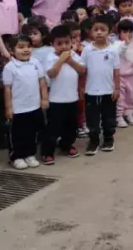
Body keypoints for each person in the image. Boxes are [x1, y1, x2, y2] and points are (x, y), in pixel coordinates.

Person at [2, 34, 47, 169]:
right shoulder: (10, 67)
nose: (26, 50)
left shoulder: (35, 62)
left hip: (34, 106)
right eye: (21, 47)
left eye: (28, 47)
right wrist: (8, 108)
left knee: (32, 132)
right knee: (17, 134)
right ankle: (16, 156)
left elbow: (42, 81)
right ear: (11, 50)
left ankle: (30, 154)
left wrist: (44, 98)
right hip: (18, 108)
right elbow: (7, 89)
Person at [41, 26, 84, 163]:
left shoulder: (75, 56)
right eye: (59, 44)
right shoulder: (49, 57)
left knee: (71, 126)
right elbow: (51, 74)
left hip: (72, 98)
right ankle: (47, 151)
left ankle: (67, 145)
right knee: (53, 127)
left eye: (66, 43)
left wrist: (70, 60)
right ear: (52, 44)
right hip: (56, 100)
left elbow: (82, 70)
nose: (64, 46)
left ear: (71, 42)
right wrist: (60, 60)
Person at [81, 15, 122, 155]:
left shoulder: (113, 50)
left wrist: (117, 88)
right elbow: (83, 70)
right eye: (96, 29)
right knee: (92, 119)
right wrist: (81, 88)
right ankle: (93, 141)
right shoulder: (87, 50)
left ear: (109, 32)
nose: (99, 32)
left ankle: (108, 139)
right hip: (91, 91)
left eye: (102, 29)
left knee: (109, 117)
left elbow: (116, 71)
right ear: (91, 32)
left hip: (108, 91)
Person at [115, 20, 133, 127]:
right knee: (120, 97)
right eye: (125, 32)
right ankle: (118, 116)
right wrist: (125, 43)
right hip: (119, 76)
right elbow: (119, 53)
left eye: (130, 32)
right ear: (119, 33)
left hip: (131, 75)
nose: (128, 34)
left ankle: (129, 113)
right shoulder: (116, 44)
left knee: (130, 95)